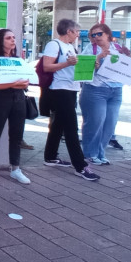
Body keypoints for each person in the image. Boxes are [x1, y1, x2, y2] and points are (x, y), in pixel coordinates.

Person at [41, 18, 99, 181]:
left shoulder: (71, 47)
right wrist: (67, 63)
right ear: (69, 31)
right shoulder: (54, 45)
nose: (78, 34)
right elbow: (47, 66)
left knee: (58, 125)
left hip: (71, 89)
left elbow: (74, 67)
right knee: (71, 129)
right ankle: (80, 166)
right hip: (60, 90)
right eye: (77, 31)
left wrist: (90, 65)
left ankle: (50, 156)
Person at [0, 29, 31, 184]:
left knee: (17, 135)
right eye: (8, 38)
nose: (13, 40)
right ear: (0, 41)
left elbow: (26, 80)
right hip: (1, 100)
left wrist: (21, 83)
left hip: (19, 99)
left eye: (14, 37)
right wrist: (14, 83)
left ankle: (15, 169)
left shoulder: (18, 59)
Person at [79, 23, 124, 165]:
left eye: (99, 34)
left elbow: (127, 66)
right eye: (93, 35)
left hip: (116, 90)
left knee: (110, 123)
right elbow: (82, 69)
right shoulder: (90, 49)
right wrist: (97, 58)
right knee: (95, 122)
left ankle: (100, 152)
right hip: (95, 89)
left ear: (108, 35)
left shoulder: (118, 48)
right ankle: (90, 154)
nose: (96, 37)